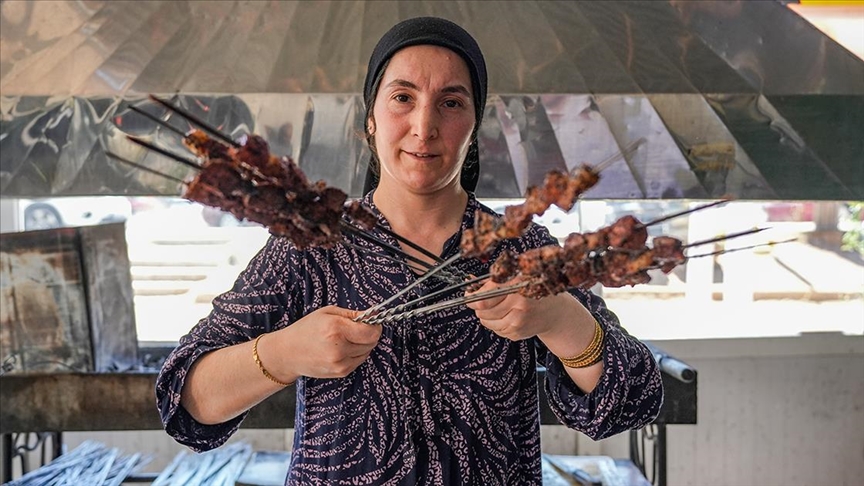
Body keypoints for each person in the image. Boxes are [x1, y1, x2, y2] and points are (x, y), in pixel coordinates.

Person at [156, 16, 663, 485]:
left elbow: (633, 400)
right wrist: (283, 353)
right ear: (371, 118)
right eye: (403, 97)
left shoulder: (520, 249)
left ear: (473, 125)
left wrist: (560, 320)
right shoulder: (313, 243)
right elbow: (185, 402)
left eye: (451, 102)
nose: (424, 126)